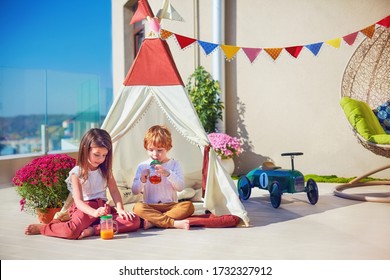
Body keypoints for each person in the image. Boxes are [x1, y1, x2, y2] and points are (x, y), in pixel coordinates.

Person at [24, 128, 141, 239]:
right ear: (86, 149)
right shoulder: (77, 173)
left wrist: (120, 209)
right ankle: (44, 228)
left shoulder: (106, 171)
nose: (100, 159)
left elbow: (114, 191)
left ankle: (93, 230)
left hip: (103, 209)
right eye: (96, 154)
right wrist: (94, 212)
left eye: (104, 155)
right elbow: (79, 201)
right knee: (72, 231)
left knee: (134, 221)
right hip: (85, 209)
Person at [132, 125, 194, 230]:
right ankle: (173, 223)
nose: (155, 154)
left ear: (168, 148)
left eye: (160, 150)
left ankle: (154, 222)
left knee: (188, 206)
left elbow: (180, 187)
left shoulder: (174, 164)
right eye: (151, 150)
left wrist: (168, 174)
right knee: (137, 207)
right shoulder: (143, 166)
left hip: (170, 206)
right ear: (146, 148)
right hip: (151, 206)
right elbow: (135, 191)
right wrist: (142, 179)